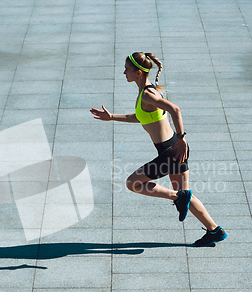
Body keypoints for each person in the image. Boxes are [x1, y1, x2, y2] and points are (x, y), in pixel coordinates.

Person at [90, 52, 227, 247]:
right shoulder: (147, 92)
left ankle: (178, 197)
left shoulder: (147, 94)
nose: (124, 73)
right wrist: (112, 117)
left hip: (171, 152)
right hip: (173, 149)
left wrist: (182, 138)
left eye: (127, 70)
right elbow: (140, 117)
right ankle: (215, 230)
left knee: (133, 183)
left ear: (138, 72)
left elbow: (175, 109)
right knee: (187, 196)